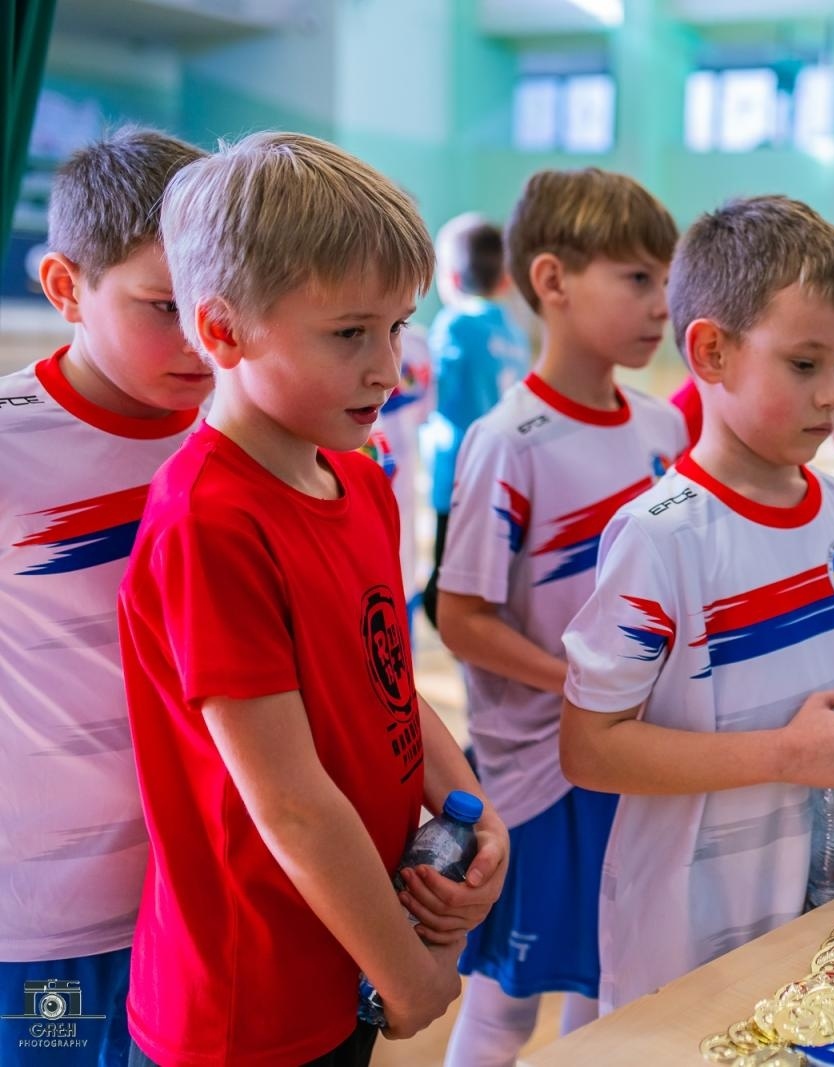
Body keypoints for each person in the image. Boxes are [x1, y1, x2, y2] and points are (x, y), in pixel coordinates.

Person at [118, 132, 510, 1065]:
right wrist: (406, 969)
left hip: (343, 962)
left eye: (398, 327)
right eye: (350, 333)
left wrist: (468, 804)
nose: (390, 366)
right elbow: (290, 802)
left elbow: (386, 684)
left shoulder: (362, 479)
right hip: (241, 1005)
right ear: (222, 331)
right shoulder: (210, 522)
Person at [559, 195, 834, 1012]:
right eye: (805, 364)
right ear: (712, 351)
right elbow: (589, 749)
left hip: (821, 920)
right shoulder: (660, 536)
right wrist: (783, 755)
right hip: (682, 936)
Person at [436, 169, 683, 1063]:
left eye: (667, 278)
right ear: (551, 280)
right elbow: (459, 614)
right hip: (535, 772)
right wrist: (580, 680)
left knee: (608, 983)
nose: (663, 303)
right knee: (506, 1001)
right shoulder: (506, 440)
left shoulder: (665, 431)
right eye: (637, 278)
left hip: (634, 760)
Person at [0, 126, 205, 1067]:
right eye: (164, 305)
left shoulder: (254, 436)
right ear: (65, 287)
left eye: (220, 302)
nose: (203, 339)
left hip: (212, 893)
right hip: (46, 915)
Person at [423, 214, 528, 627]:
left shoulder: (455, 324)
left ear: (448, 277)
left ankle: (461, 637)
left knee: (445, 576)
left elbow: (434, 394)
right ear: (505, 280)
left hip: (457, 472)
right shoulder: (513, 328)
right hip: (501, 473)